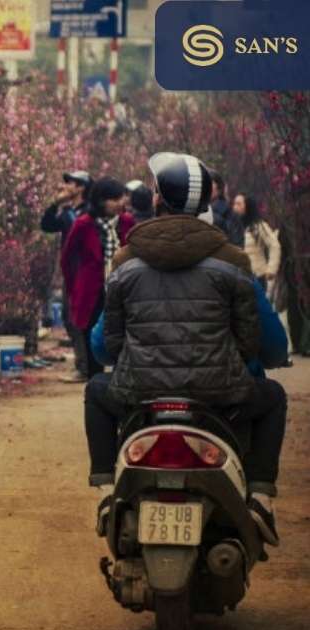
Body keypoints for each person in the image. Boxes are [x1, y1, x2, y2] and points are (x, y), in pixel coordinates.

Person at [84, 152, 286, 546]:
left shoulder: (125, 264)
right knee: (273, 396)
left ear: (157, 200)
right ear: (207, 204)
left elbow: (105, 349)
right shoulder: (234, 264)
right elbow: (260, 348)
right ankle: (260, 498)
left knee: (95, 390)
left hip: (139, 397)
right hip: (220, 399)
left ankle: (107, 493)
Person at [60, 177, 134, 381]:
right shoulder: (84, 224)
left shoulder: (127, 222)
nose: (121, 202)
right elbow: (67, 259)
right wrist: (74, 288)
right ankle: (94, 383)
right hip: (92, 292)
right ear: (101, 200)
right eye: (115, 198)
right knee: (92, 336)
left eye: (122, 197)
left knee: (123, 336)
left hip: (123, 288)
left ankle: (120, 382)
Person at [41, 170, 92, 378]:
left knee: (80, 318)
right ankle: (84, 365)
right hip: (70, 273)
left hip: (85, 272)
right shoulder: (67, 211)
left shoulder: (88, 212)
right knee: (68, 317)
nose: (66, 186)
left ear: (81, 187)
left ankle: (86, 367)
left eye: (71, 183)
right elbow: (46, 225)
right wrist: (55, 204)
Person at [234, 193, 282, 292]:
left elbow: (274, 245)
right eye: (234, 204)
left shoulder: (258, 226)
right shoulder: (234, 227)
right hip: (239, 279)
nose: (235, 207)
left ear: (247, 206)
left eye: (239, 204)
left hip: (257, 277)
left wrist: (271, 269)